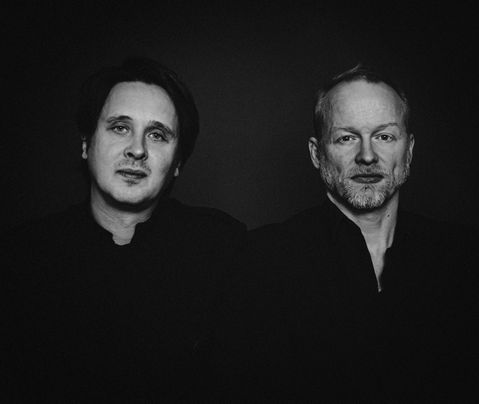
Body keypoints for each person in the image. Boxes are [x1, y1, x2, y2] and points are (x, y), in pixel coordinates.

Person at [4, 57, 245, 401]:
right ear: (86, 143)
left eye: (157, 135)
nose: (137, 150)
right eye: (120, 127)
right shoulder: (22, 257)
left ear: (177, 162)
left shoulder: (223, 248)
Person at [246, 65, 478, 401]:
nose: (367, 156)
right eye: (347, 138)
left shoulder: (465, 258)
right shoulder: (261, 259)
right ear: (316, 153)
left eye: (384, 137)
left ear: (409, 150)